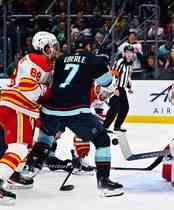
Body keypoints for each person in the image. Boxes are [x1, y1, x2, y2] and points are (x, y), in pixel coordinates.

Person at [25, 38, 123, 197]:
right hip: (75, 110)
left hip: (51, 108)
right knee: (102, 139)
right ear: (89, 48)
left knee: (46, 135)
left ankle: (27, 172)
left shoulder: (61, 59)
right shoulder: (95, 60)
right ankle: (104, 182)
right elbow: (107, 82)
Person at [0, 31, 59, 201]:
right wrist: (48, 89)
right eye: (52, 46)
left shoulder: (31, 59)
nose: (54, 50)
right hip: (18, 106)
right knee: (18, 147)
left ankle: (13, 174)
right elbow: (30, 88)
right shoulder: (40, 60)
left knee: (23, 146)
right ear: (44, 46)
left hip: (17, 105)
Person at [103, 45, 134, 132]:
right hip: (116, 88)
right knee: (114, 108)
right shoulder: (120, 62)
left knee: (125, 108)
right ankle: (105, 127)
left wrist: (129, 86)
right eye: (127, 52)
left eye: (130, 52)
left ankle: (117, 126)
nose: (129, 54)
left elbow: (127, 76)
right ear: (124, 53)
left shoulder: (130, 63)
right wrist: (114, 88)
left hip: (122, 89)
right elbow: (113, 74)